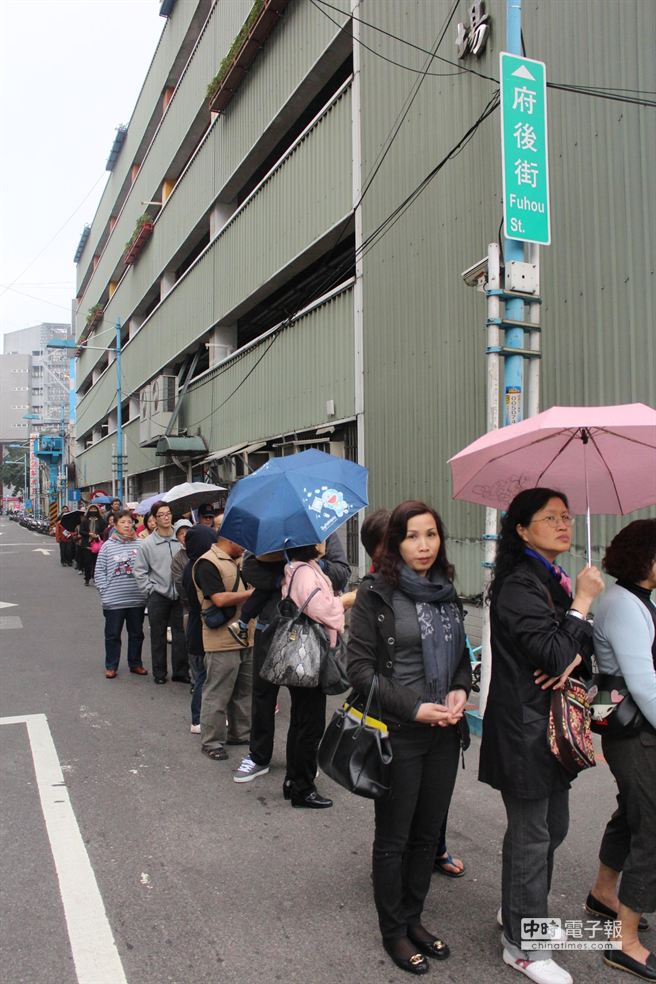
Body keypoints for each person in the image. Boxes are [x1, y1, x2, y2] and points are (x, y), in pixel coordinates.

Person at [478, 488, 604, 984]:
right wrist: (582, 605)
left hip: (550, 728)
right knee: (534, 837)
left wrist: (570, 642)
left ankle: (516, 910)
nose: (563, 524)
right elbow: (554, 655)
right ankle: (525, 946)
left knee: (551, 829)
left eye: (567, 516)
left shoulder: (550, 579)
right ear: (522, 530)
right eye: (550, 517)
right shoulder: (518, 584)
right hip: (525, 729)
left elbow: (576, 651)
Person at [347, 500, 472, 975]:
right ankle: (393, 931)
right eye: (412, 536)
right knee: (394, 838)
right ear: (395, 543)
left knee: (426, 835)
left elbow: (461, 653)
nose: (423, 545)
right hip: (400, 732)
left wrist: (460, 688)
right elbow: (357, 670)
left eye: (431, 535)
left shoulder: (445, 590)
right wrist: (414, 707)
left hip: (445, 731)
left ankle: (415, 918)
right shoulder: (376, 594)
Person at [585, 519, 656, 983]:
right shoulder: (621, 604)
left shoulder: (640, 599)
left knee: (632, 814)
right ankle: (625, 943)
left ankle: (603, 894)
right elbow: (644, 684)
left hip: (640, 728)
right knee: (651, 825)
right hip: (636, 730)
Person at [232, 534, 350, 784]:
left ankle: (301, 761)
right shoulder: (271, 527)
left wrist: (310, 563)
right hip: (269, 625)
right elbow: (250, 567)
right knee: (263, 694)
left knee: (305, 701)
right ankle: (259, 756)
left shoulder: (323, 530)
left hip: (309, 633)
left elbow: (342, 571)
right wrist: (282, 576)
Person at [279, 542, 348, 808]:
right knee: (310, 725)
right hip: (311, 656)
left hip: (300, 656)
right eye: (320, 539)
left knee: (299, 721)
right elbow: (323, 610)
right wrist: (344, 601)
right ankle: (303, 788)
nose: (325, 543)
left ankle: (293, 780)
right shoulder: (306, 573)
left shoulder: (295, 568)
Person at [192, 531, 255, 761]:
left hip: (247, 636)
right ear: (230, 540)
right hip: (221, 639)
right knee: (217, 692)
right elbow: (217, 599)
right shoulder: (207, 563)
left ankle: (240, 733)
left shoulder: (244, 561)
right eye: (243, 542)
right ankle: (212, 741)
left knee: (244, 690)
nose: (246, 546)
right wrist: (250, 594)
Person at [133, 500, 189, 684]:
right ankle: (159, 673)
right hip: (158, 595)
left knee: (180, 635)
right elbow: (139, 571)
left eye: (168, 513)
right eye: (161, 515)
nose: (166, 517)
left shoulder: (181, 539)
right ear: (154, 519)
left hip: (180, 595)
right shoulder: (147, 544)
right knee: (158, 635)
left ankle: (180, 672)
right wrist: (150, 590)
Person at [94, 510, 148, 679]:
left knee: (136, 634)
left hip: (136, 599)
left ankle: (135, 663)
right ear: (115, 525)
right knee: (112, 635)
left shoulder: (140, 545)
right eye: (122, 522)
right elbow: (99, 571)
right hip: (114, 600)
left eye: (129, 522)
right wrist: (104, 591)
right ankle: (111, 665)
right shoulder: (107, 546)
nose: (126, 525)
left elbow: (147, 569)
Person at [181, 525, 218, 735]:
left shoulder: (192, 565)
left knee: (203, 676)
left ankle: (201, 717)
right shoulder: (199, 568)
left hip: (196, 627)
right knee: (204, 677)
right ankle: (197, 719)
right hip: (200, 629)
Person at [78, 503, 106, 586]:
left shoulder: (102, 521)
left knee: (96, 563)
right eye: (91, 509)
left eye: (95, 509)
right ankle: (87, 578)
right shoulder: (84, 520)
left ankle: (95, 577)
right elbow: (81, 531)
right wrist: (89, 534)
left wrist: (97, 535)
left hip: (97, 544)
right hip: (87, 544)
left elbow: (104, 531)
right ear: (88, 510)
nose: (93, 511)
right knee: (87, 562)